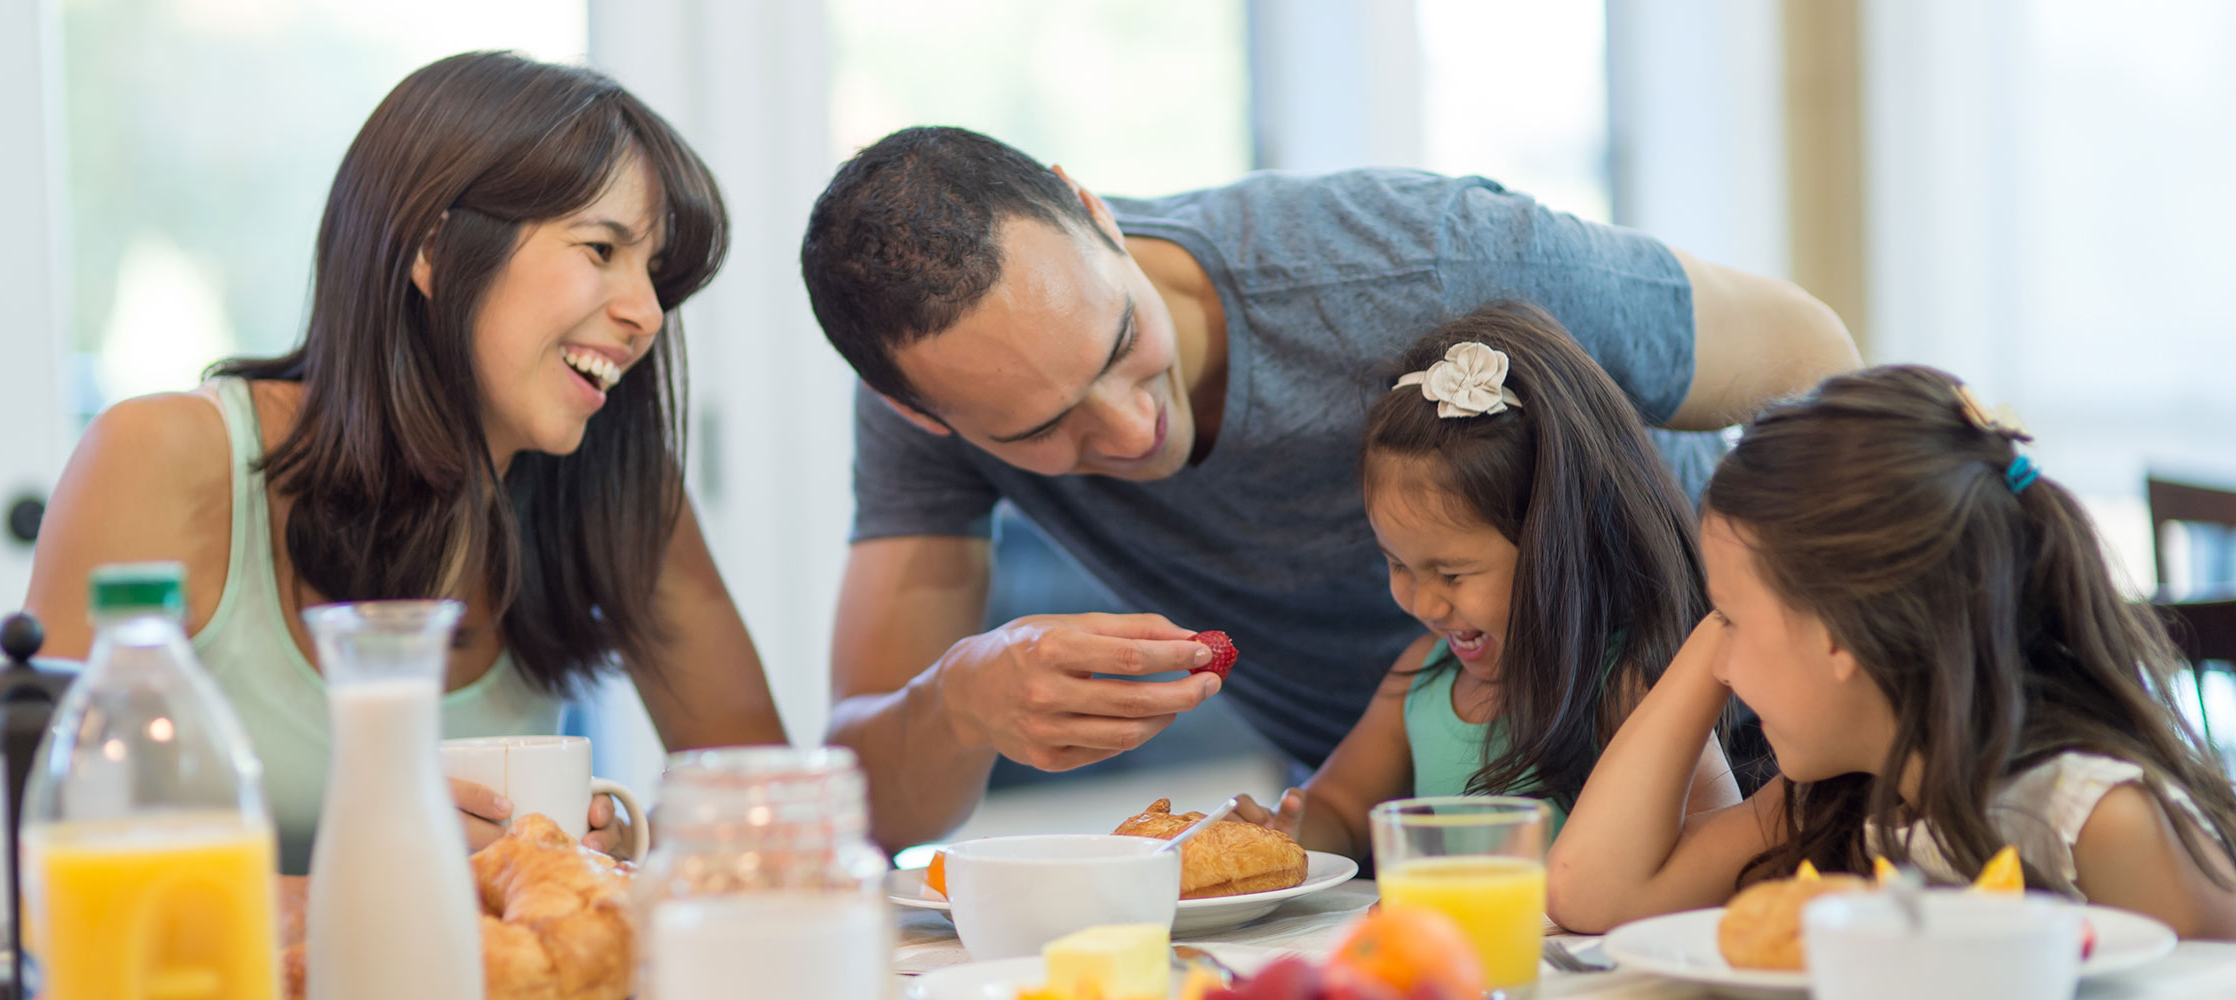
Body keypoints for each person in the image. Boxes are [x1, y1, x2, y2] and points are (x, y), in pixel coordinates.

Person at [799, 125, 1858, 850]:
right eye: (1042, 427)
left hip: (1754, 768)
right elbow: (868, 809)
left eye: (1122, 341)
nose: (1130, 427)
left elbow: (1815, 354)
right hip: (1412, 847)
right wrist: (958, 702)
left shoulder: (1421, 262)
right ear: (921, 415)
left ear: (1096, 212)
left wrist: (1753, 654)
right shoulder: (933, 405)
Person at [25, 51, 787, 874]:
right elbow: (44, 868)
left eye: (656, 273)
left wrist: (616, 852)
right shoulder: (164, 457)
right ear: (435, 247)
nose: (644, 314)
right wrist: (375, 882)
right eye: (602, 248)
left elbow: (774, 819)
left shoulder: (615, 490)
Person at [1548, 366, 2236, 939]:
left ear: (1839, 634)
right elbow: (1593, 894)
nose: (1720, 667)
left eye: (1728, 621)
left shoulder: (2095, 819)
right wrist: (1718, 632)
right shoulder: (1848, 798)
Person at [1223, 303, 1741, 859]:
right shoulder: (1423, 679)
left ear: (1555, 546)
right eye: (1397, 564)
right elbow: (1341, 807)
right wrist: (1289, 832)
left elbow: (1720, 841)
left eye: (1451, 573)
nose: (1421, 601)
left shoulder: (1622, 688)